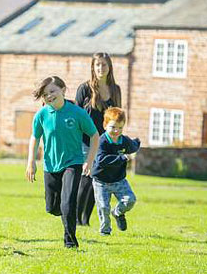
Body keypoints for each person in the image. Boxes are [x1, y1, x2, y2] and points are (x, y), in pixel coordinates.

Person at [25, 76, 99, 248]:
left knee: (68, 202)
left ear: (63, 90)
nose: (49, 96)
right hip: (50, 165)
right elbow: (35, 138)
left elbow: (95, 136)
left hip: (72, 163)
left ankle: (70, 241)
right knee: (52, 208)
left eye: (52, 91)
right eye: (45, 94)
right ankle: (64, 211)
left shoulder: (77, 113)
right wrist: (31, 162)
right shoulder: (42, 115)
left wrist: (89, 160)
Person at [75, 52, 122, 226]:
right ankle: (77, 219)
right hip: (85, 142)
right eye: (97, 65)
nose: (101, 68)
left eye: (104, 64)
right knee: (86, 180)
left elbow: (117, 118)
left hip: (105, 145)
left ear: (109, 67)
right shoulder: (84, 89)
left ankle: (85, 220)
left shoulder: (115, 90)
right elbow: (75, 116)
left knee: (99, 183)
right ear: (93, 68)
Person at [92, 107, 139, 235]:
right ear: (105, 125)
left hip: (119, 180)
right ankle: (105, 231)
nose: (116, 131)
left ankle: (118, 213)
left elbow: (134, 145)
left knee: (130, 200)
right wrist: (122, 157)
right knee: (103, 207)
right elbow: (101, 160)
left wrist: (137, 145)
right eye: (113, 127)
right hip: (101, 181)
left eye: (120, 128)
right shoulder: (101, 141)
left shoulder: (124, 140)